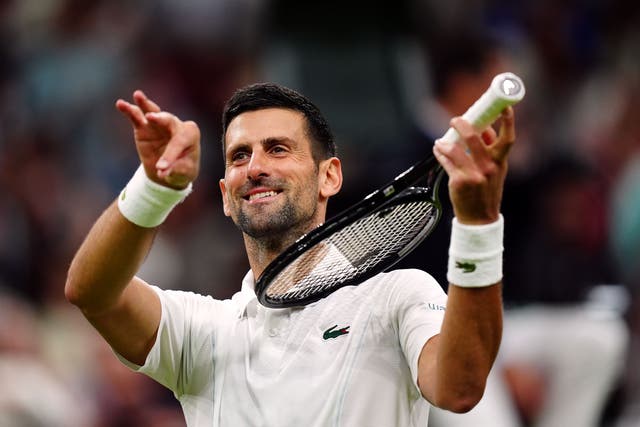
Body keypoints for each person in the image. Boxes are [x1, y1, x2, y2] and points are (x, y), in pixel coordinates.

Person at [65, 82, 516, 426]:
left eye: (278, 149)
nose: (256, 167)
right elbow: (93, 292)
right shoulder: (205, 330)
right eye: (239, 156)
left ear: (329, 177)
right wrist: (156, 189)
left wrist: (478, 225)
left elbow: (459, 387)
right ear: (225, 195)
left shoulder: (398, 295)